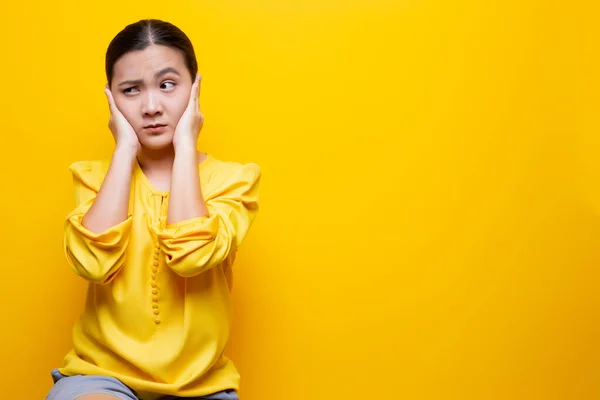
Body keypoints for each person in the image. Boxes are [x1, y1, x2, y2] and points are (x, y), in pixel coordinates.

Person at [46, 19, 261, 400]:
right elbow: (93, 263)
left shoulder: (234, 180)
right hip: (102, 376)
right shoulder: (95, 178)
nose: (150, 106)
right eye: (130, 90)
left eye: (167, 85)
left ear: (195, 88)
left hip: (201, 385)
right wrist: (125, 148)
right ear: (110, 97)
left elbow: (191, 257)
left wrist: (185, 145)